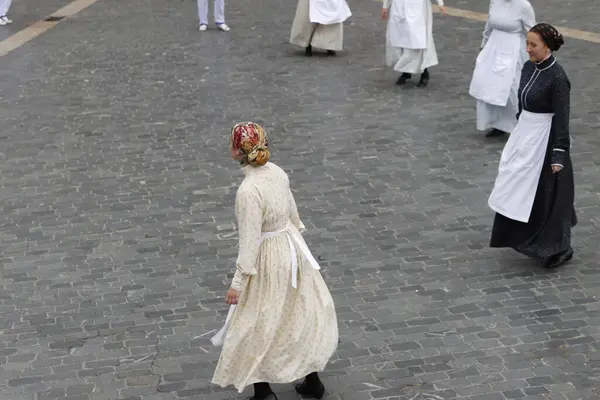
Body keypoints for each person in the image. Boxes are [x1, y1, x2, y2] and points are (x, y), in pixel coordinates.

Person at [212, 122, 339, 400]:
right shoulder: (278, 172)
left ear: (236, 150)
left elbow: (249, 243)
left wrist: (238, 284)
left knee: (258, 320)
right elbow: (293, 214)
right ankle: (313, 381)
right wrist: (294, 239)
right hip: (291, 248)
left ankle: (263, 391)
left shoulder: (248, 192)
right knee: (299, 313)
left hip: (269, 257)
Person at [488, 23, 576, 269]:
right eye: (527, 44)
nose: (527, 49)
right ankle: (525, 235)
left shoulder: (558, 78)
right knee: (519, 184)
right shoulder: (528, 67)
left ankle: (559, 246)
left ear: (547, 46)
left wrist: (558, 154)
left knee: (549, 194)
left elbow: (562, 119)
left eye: (533, 45)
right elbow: (522, 100)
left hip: (545, 139)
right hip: (526, 133)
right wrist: (519, 129)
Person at [469, 0, 536, 137]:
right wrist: (484, 44)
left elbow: (532, 31)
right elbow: (489, 25)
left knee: (512, 88)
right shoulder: (495, 1)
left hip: (513, 49)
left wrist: (535, 53)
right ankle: (498, 123)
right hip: (493, 48)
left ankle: (519, 125)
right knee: (489, 86)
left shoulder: (524, 6)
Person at [381, 0, 446, 87]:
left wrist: (440, 3)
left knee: (418, 39)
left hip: (417, 7)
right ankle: (406, 71)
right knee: (401, 38)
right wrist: (385, 5)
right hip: (399, 6)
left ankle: (424, 71)